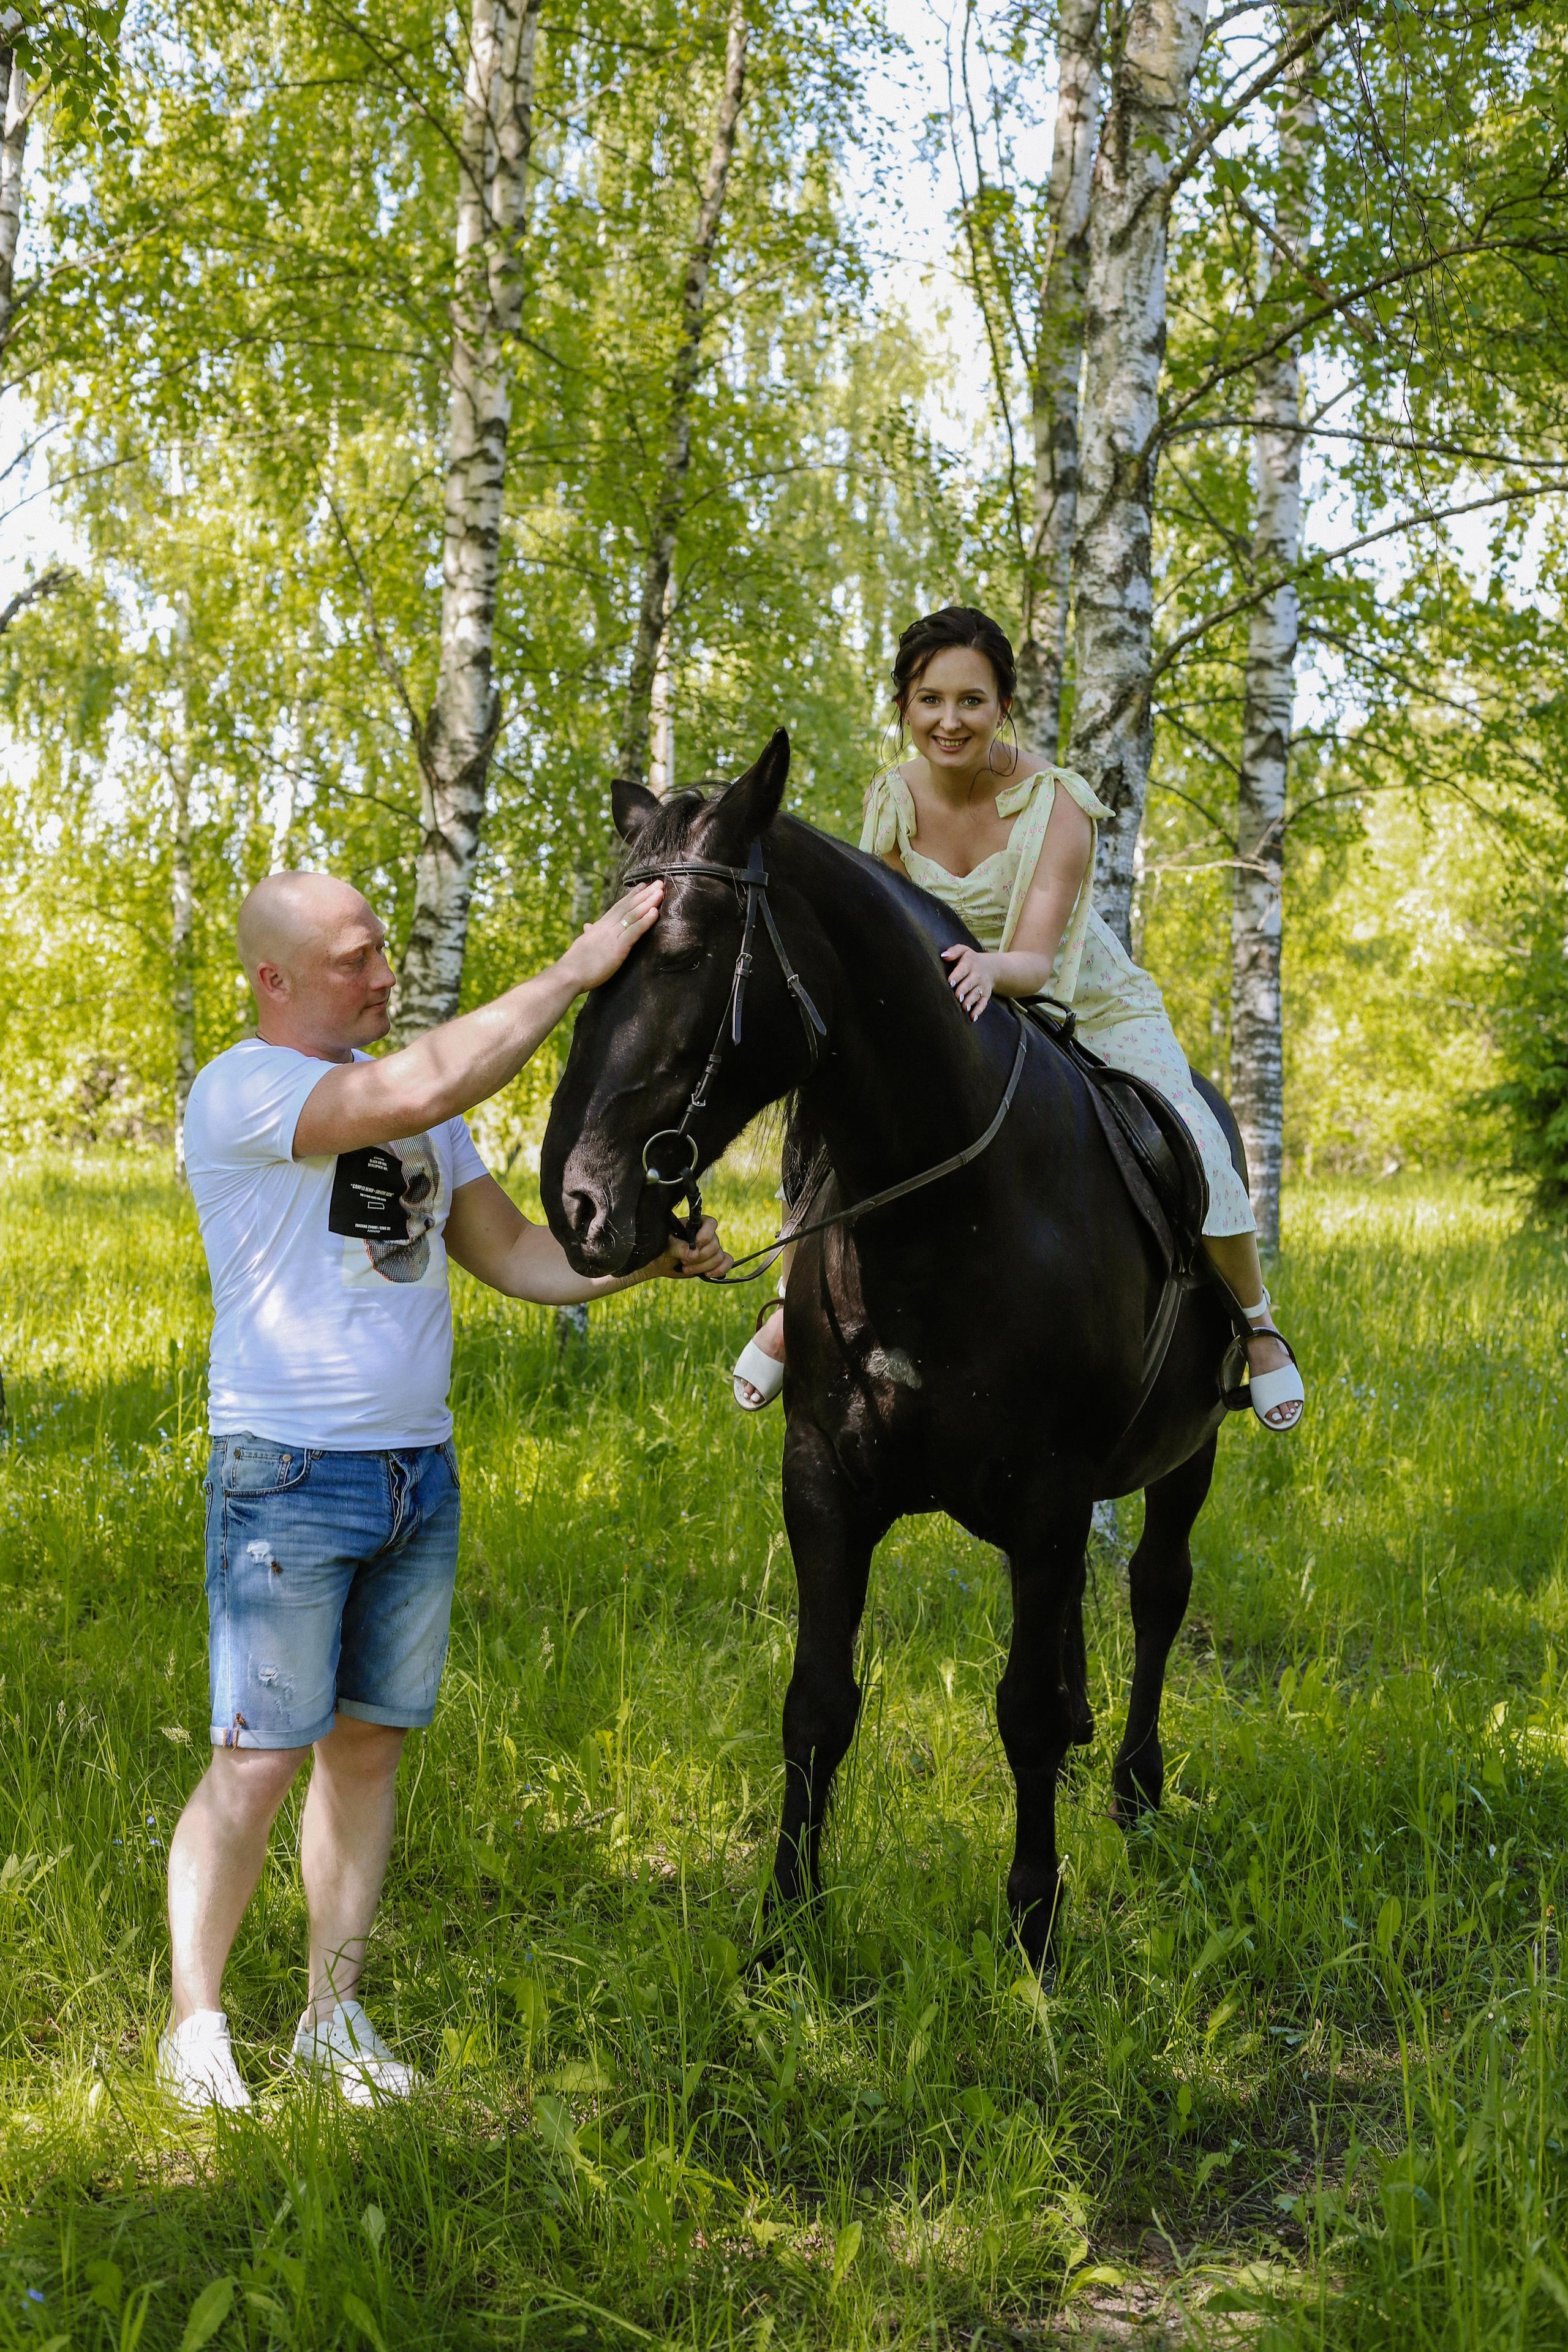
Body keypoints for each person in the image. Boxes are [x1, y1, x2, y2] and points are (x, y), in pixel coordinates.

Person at [161, 869, 731, 2116]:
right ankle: (195, 2028)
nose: (383, 976)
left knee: (366, 1751)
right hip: (287, 1476)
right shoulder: (245, 1089)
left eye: (382, 951)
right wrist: (576, 971)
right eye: (354, 960)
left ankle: (331, 2021)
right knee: (257, 1762)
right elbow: (418, 1087)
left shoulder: (415, 1105)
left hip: (415, 1474)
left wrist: (648, 1264)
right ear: (273, 980)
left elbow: (515, 1255)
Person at [731, 604, 1305, 1433]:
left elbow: (1036, 958)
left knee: (1192, 1131)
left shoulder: (1057, 804)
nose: (950, 721)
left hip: (1078, 995)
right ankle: (793, 1303)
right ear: (904, 706)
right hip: (949, 1004)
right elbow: (891, 931)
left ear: (1003, 706)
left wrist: (988, 968)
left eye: (972, 700)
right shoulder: (891, 799)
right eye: (930, 700)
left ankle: (1256, 1324)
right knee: (836, 1116)